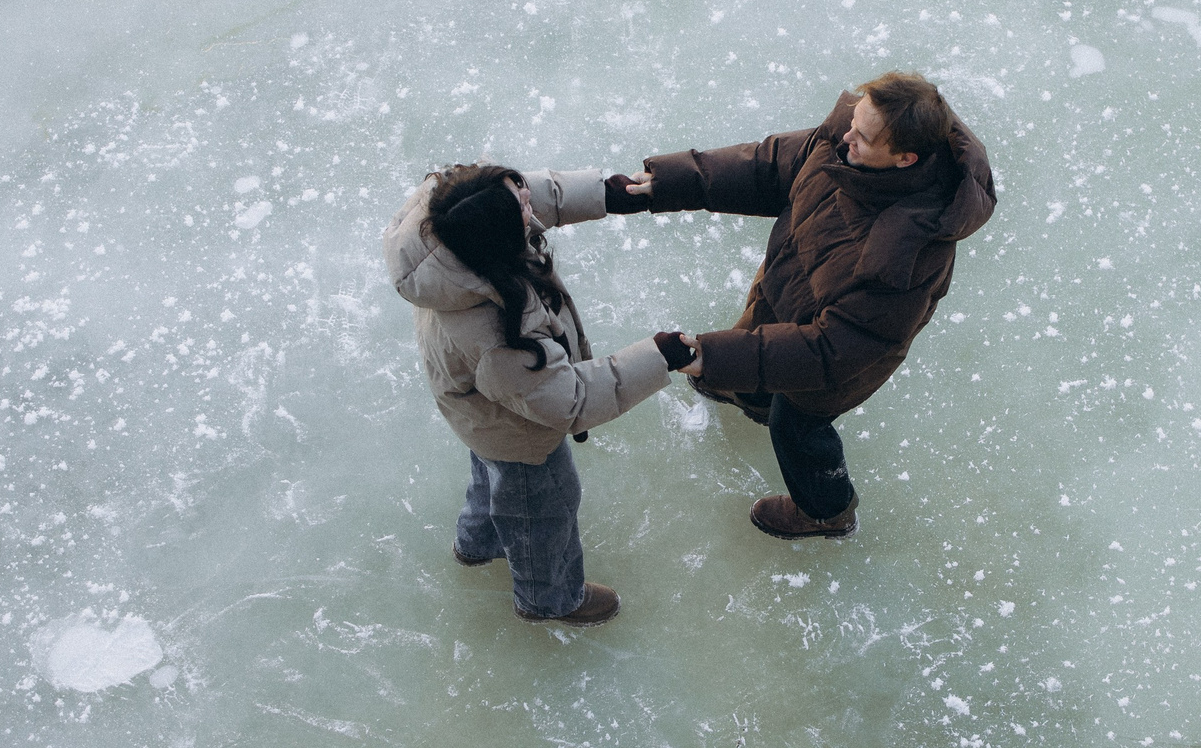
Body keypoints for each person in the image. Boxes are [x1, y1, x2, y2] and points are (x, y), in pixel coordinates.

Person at [607, 71, 996, 539]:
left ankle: (826, 511)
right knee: (757, 343)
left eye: (864, 136)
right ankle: (751, 394)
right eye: (854, 120)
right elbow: (768, 168)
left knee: (796, 425)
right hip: (786, 282)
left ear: (904, 159)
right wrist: (668, 182)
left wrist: (712, 357)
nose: (846, 136)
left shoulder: (904, 253)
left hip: (835, 359)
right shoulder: (844, 140)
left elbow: (830, 352)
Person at [384, 164, 697, 625]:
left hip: (480, 415)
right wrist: (658, 356)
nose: (532, 208)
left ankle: (477, 544)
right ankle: (547, 597)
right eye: (522, 210)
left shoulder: (442, 227)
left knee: (490, 476)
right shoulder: (496, 336)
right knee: (543, 511)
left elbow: (516, 195)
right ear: (500, 238)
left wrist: (603, 195)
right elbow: (568, 401)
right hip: (519, 431)